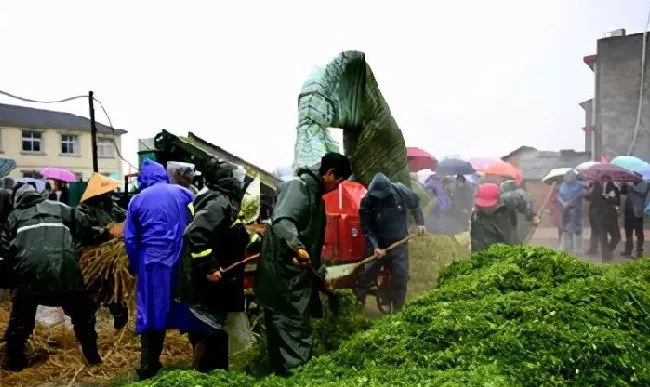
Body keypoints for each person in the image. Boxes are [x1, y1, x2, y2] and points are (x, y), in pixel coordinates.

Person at [255, 152, 352, 376]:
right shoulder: (298, 188)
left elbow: (313, 244)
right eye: (339, 181)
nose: (339, 187)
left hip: (292, 276)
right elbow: (283, 222)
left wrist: (320, 277)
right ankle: (298, 378)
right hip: (284, 278)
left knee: (283, 334)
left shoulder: (314, 195)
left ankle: (280, 376)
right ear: (329, 174)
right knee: (293, 329)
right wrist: (297, 247)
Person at [1, 184, 114, 371]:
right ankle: (93, 359)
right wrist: (107, 233)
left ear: (17, 201)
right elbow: (86, 228)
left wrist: (10, 282)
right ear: (38, 195)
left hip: (30, 276)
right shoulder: (59, 207)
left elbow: (7, 254)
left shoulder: (14, 218)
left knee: (20, 321)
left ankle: (14, 364)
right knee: (83, 318)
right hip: (66, 272)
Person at [124, 159, 198, 380]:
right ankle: (201, 359)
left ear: (144, 179)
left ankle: (149, 365)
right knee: (188, 306)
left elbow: (130, 238)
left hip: (153, 262)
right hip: (182, 258)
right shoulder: (185, 194)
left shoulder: (137, 200)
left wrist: (136, 265)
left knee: (152, 310)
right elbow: (197, 223)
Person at [176, 159, 249, 372]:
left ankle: (213, 372)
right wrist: (209, 268)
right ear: (228, 181)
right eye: (238, 179)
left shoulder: (226, 201)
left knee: (216, 331)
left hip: (220, 283)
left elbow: (228, 235)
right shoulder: (219, 203)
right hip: (206, 284)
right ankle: (207, 374)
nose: (241, 183)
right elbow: (196, 234)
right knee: (212, 334)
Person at [356, 172, 426, 312]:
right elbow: (367, 227)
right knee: (364, 277)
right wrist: (376, 247)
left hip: (398, 243)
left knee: (400, 279)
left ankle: (398, 313)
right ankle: (357, 312)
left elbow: (416, 201)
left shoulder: (400, 190)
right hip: (377, 245)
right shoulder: (367, 201)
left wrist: (420, 223)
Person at [77, 173, 129, 329]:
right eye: (107, 192)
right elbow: (84, 231)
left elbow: (126, 216)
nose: (111, 194)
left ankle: (120, 325)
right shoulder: (83, 210)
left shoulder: (111, 206)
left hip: (114, 256)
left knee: (117, 290)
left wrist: (126, 224)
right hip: (93, 257)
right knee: (92, 292)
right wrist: (107, 231)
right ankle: (86, 328)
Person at [471, 183, 536, 252]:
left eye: (490, 206)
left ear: (498, 199)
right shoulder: (475, 218)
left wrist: (532, 215)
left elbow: (524, 202)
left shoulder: (509, 200)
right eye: (483, 206)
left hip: (512, 242)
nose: (486, 208)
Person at [584, 177, 620, 260]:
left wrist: (609, 198)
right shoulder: (594, 186)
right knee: (603, 237)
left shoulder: (613, 186)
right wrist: (588, 192)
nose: (603, 180)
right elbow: (589, 198)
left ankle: (609, 250)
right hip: (597, 215)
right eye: (601, 178)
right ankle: (606, 258)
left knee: (616, 236)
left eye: (605, 178)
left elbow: (617, 201)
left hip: (610, 215)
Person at [620, 179, 650, 258]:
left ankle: (639, 252)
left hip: (638, 212)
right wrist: (623, 184)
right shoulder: (629, 183)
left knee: (639, 233)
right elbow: (622, 192)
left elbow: (642, 193)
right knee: (628, 232)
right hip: (628, 211)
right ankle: (628, 251)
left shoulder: (645, 184)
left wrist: (631, 187)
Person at [556, 170, 585, 252]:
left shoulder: (579, 185)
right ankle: (565, 247)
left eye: (569, 177)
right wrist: (563, 202)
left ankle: (577, 248)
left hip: (576, 210)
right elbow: (558, 195)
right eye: (566, 177)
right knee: (565, 228)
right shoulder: (563, 185)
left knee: (576, 229)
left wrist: (570, 202)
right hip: (565, 210)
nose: (567, 178)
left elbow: (579, 195)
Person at [499, 179, 534, 244]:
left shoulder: (508, 195)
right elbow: (529, 203)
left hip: (517, 220)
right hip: (524, 219)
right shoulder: (522, 192)